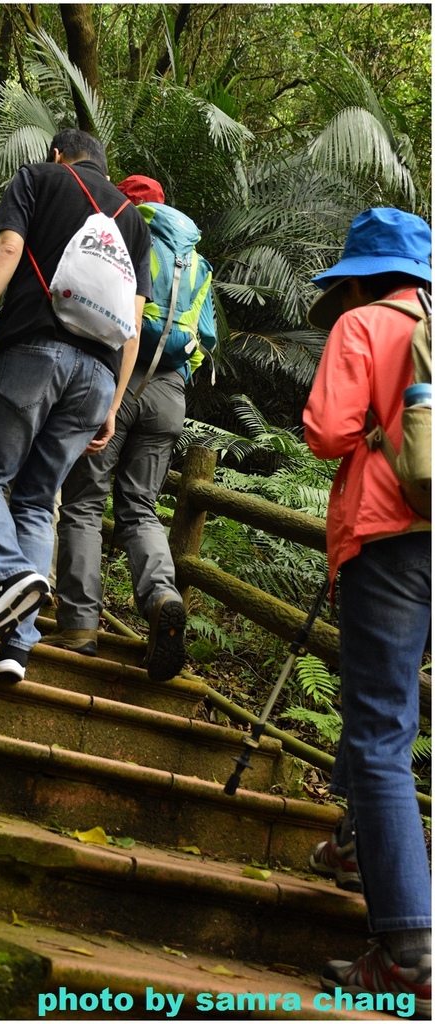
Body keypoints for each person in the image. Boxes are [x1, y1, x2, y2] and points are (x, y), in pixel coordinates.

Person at [0, 129, 152, 683]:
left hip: (33, 354)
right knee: (38, 502)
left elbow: (9, 248)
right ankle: (17, 648)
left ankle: (11, 573)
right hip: (97, 376)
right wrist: (113, 400)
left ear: (58, 156)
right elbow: (132, 326)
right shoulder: (133, 220)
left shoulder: (37, 179)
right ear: (105, 169)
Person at [303, 207, 431, 1016]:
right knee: (392, 710)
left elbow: (324, 430)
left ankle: (410, 951)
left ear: (361, 272)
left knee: (379, 730)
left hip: (387, 537)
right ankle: (356, 845)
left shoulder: (361, 324)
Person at [46, 174, 216, 681]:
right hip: (169, 393)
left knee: (83, 502)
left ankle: (79, 624)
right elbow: (205, 334)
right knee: (140, 506)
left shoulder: (117, 232)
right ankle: (162, 593)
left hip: (116, 379)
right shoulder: (196, 261)